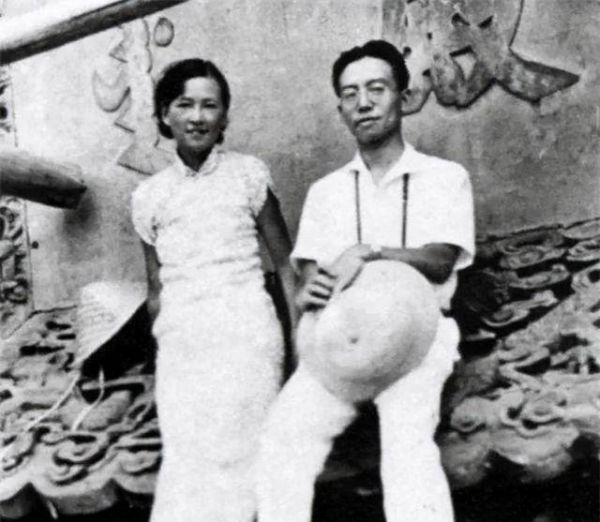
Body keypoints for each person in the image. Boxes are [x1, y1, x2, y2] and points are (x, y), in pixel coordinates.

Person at [257, 40, 475, 522]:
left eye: (377, 88)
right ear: (340, 110)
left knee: (406, 444)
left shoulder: (444, 177)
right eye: (350, 94)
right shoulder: (325, 192)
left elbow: (441, 261)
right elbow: (309, 276)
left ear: (404, 96)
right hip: (342, 341)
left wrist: (369, 252)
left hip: (420, 337)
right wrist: (310, 289)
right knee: (280, 438)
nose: (364, 103)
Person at [130, 58, 296, 522]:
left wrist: (299, 342)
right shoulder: (149, 196)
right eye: (185, 105)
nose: (198, 117)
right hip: (183, 345)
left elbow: (287, 267)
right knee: (188, 472)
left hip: (248, 337)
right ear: (164, 114)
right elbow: (156, 291)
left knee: (250, 468)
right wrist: (164, 359)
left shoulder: (248, 175)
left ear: (224, 116)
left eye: (210, 105)